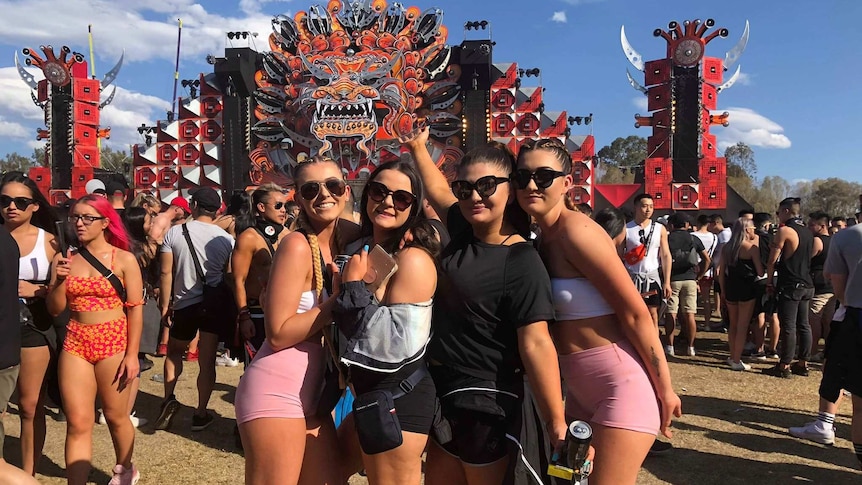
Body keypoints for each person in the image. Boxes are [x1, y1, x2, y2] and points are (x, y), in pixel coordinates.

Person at [405, 128, 571, 485]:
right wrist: (418, 147)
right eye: (465, 188)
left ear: (510, 190)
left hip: (487, 404)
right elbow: (437, 187)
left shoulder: (521, 260)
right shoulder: (464, 230)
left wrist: (556, 420)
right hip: (443, 394)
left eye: (487, 186)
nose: (475, 196)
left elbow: (537, 342)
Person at [512, 137, 681, 484]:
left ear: (567, 183)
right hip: (578, 393)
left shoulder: (578, 231)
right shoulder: (541, 237)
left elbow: (635, 313)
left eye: (544, 176)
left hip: (621, 388)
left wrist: (666, 389)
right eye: (522, 177)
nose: (531, 185)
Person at [235, 155, 358, 485]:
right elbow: (277, 333)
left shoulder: (345, 236)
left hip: (312, 397)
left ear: (346, 190)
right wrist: (338, 300)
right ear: (299, 198)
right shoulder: (297, 245)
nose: (324, 195)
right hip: (276, 392)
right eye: (311, 189)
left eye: (333, 185)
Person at [332, 160, 440, 485]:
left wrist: (351, 288)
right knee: (326, 469)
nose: (388, 202)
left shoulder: (414, 260)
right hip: (369, 396)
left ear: (414, 206)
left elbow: (392, 346)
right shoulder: (363, 247)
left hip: (399, 399)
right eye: (379, 191)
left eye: (402, 198)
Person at [46, 195, 144, 485]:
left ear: (105, 223)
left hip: (113, 343)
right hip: (76, 343)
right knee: (78, 422)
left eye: (88, 218)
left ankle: (124, 468)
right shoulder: (65, 260)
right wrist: (58, 280)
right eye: (76, 217)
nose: (80, 223)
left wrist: (132, 355)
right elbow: (55, 309)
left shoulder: (123, 258)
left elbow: (136, 309)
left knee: (116, 417)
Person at [155, 188, 235, 432]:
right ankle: (200, 412)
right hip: (213, 304)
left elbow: (166, 272)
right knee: (207, 360)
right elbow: (229, 275)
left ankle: (168, 397)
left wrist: (166, 305)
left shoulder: (175, 233)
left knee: (174, 353)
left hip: (184, 303)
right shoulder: (226, 239)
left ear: (196, 205)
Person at [789, 215, 862, 461]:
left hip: (855, 318)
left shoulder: (848, 236)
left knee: (858, 401)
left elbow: (837, 284)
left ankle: (825, 423)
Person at [1, 174, 60, 476]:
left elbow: (63, 292)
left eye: (20, 201)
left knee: (29, 406)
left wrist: (37, 290)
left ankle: (27, 474)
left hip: (33, 325)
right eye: (5, 201)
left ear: (35, 206)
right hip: (1, 326)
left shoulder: (49, 240)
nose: (11, 207)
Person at [232, 183, 289, 363]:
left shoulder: (289, 235)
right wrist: (244, 316)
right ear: (261, 207)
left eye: (285, 205)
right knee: (257, 367)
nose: (283, 210)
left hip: (287, 312)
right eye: (278, 205)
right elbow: (238, 281)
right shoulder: (248, 237)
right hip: (257, 313)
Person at [763, 197, 815, 378]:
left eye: (778, 212)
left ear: (785, 211)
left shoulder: (785, 231)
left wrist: (769, 281)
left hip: (790, 283)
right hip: (807, 282)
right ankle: (803, 363)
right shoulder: (808, 232)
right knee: (804, 324)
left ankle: (784, 365)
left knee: (789, 326)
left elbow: (772, 260)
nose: (777, 217)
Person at [717, 218, 763, 371]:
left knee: (733, 325)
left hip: (730, 287)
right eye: (753, 228)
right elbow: (760, 272)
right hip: (747, 288)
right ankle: (737, 359)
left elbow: (721, 272)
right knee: (743, 326)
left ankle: (732, 356)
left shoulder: (727, 248)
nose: (754, 231)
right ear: (747, 229)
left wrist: (723, 290)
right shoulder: (751, 248)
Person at [623, 194, 672, 329]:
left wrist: (667, 281)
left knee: (653, 314)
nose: (648, 210)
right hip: (631, 277)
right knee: (632, 314)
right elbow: (618, 254)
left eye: (651, 206)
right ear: (636, 207)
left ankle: (654, 346)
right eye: (644, 206)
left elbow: (666, 255)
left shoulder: (659, 228)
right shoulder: (626, 229)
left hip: (651, 277)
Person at [664, 213, 710, 357]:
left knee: (670, 313)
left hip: (672, 280)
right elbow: (707, 259)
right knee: (690, 314)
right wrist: (699, 276)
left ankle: (669, 346)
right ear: (687, 225)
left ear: (672, 225)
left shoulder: (667, 238)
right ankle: (691, 347)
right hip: (690, 279)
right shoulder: (693, 238)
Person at [807, 211, 836, 360]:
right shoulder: (834, 241)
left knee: (814, 320)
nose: (809, 227)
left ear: (822, 226)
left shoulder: (817, 241)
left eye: (812, 225)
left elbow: (806, 260)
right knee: (828, 321)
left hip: (819, 286)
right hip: (832, 286)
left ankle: (812, 352)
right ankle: (827, 351)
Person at [752, 213, 779, 360]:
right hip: (775, 277)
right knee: (774, 314)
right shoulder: (774, 240)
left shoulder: (754, 240)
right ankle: (773, 349)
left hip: (760, 277)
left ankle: (759, 348)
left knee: (760, 314)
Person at [691, 215, 718, 326]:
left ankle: (690, 323)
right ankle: (707, 323)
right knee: (706, 298)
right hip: (707, 271)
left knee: (691, 299)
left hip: (692, 270)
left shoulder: (692, 236)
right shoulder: (714, 237)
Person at [708, 214, 732, 331]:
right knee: (722, 296)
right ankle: (725, 321)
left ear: (716, 223)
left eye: (710, 224)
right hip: (720, 270)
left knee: (724, 297)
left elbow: (724, 253)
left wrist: (719, 266)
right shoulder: (722, 234)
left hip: (723, 270)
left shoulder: (725, 235)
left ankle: (727, 323)